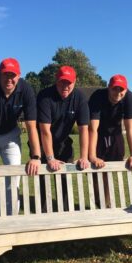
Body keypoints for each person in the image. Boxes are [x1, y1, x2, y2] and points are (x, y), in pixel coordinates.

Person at [0, 57, 41, 215]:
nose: (9, 79)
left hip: (11, 135)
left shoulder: (26, 90)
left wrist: (36, 156)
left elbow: (31, 126)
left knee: (13, 178)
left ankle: (10, 218)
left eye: (13, 75)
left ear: (19, 76)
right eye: (5, 74)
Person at [37, 65, 90, 210]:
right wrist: (50, 158)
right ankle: (43, 213)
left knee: (65, 180)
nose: (65, 86)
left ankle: (65, 212)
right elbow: (44, 130)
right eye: (62, 82)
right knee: (44, 178)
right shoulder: (45, 96)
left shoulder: (80, 98)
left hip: (63, 142)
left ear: (75, 82)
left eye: (69, 82)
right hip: (42, 142)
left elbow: (84, 129)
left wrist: (84, 156)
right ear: (56, 81)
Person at [88, 74, 132, 207]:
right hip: (99, 133)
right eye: (114, 89)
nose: (118, 92)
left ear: (126, 90)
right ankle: (99, 203)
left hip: (116, 133)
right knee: (97, 169)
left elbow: (130, 129)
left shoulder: (130, 99)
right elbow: (93, 129)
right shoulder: (97, 97)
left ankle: (107, 203)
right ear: (108, 88)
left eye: (121, 89)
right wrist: (92, 157)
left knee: (111, 169)